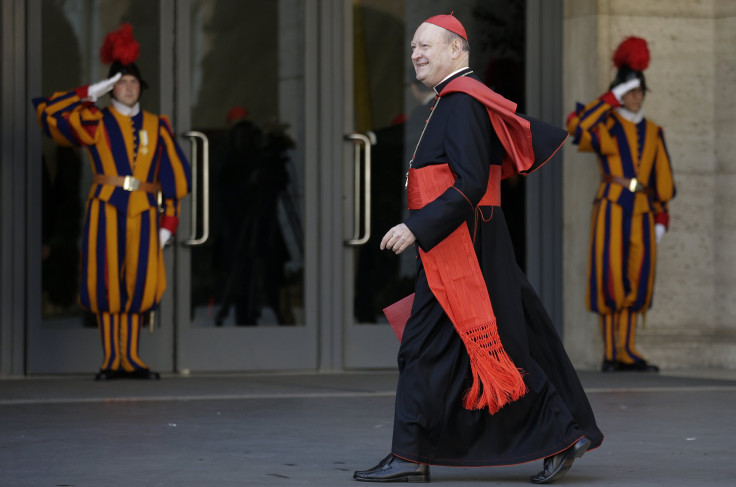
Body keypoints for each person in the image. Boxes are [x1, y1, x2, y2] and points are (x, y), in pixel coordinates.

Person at [353, 14, 603, 485]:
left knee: (453, 346)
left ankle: (559, 436)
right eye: (412, 48)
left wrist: (417, 227)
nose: (416, 54)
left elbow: (468, 183)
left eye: (425, 46)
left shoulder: (462, 102)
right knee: (455, 345)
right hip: (465, 238)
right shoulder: (453, 99)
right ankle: (415, 453)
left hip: (463, 242)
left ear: (456, 50)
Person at [33, 23, 191, 380]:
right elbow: (49, 114)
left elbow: (174, 179)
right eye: (121, 83)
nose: (129, 88)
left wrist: (169, 223)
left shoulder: (157, 124)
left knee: (140, 285)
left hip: (146, 212)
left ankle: (131, 358)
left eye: (133, 83)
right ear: (111, 88)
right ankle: (110, 360)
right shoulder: (94, 120)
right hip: (107, 208)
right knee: (107, 283)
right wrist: (90, 92)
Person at [567, 37, 675, 373]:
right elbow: (576, 124)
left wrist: (661, 217)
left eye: (639, 91)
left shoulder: (655, 131)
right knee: (610, 277)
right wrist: (609, 100)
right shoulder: (607, 123)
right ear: (619, 93)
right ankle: (610, 352)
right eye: (629, 91)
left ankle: (627, 350)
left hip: (643, 209)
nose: (636, 96)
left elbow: (662, 180)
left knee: (638, 277)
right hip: (612, 206)